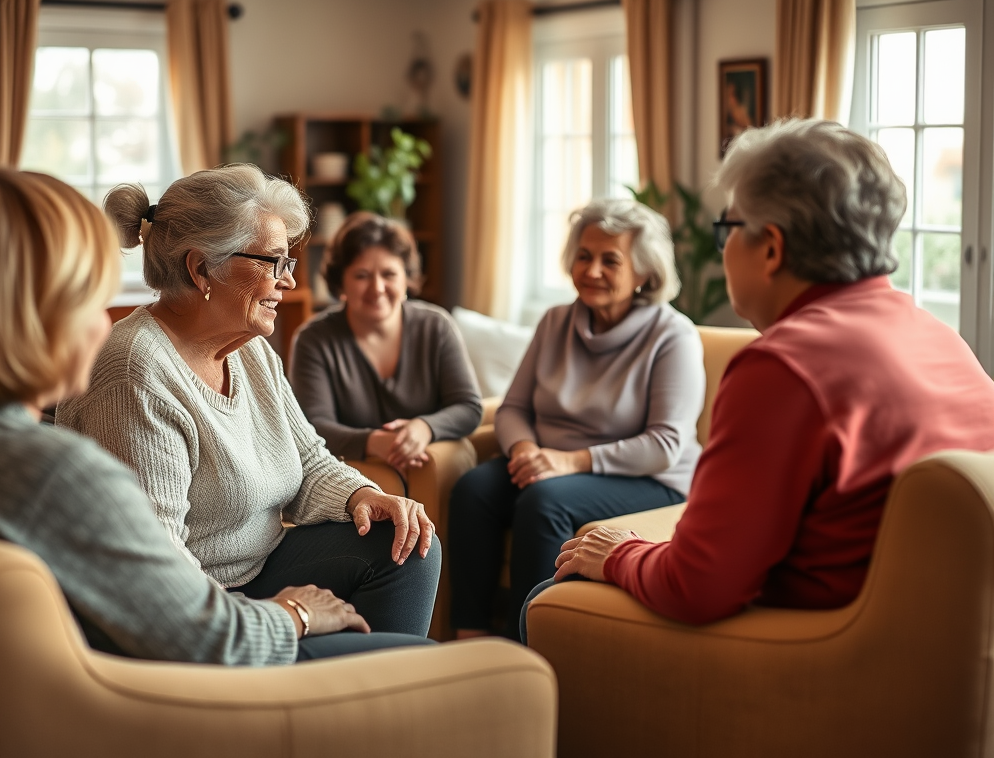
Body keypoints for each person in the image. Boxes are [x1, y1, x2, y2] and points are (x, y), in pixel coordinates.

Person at [540, 119, 994, 636]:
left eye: (727, 230)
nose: (723, 249)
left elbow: (697, 587)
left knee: (551, 597)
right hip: (928, 641)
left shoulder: (782, 366)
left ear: (771, 249)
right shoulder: (938, 335)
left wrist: (621, 554)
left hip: (815, 650)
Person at [0, 165, 435, 663]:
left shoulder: (249, 348)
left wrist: (364, 493)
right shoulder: (131, 376)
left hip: (247, 579)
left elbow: (308, 457)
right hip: (208, 622)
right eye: (273, 262)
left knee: (404, 546)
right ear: (200, 270)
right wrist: (295, 614)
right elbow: (179, 613)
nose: (288, 279)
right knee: (423, 665)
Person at [448, 198, 706, 642]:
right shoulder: (556, 322)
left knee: (545, 501)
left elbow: (665, 444)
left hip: (647, 475)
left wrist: (569, 462)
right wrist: (526, 450)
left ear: (644, 272)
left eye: (611, 260)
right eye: (584, 256)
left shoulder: (672, 334)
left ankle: (530, 647)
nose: (592, 271)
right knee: (474, 488)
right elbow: (513, 409)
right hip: (548, 463)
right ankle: (469, 638)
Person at [289, 211, 482, 475]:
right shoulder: (313, 339)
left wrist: (424, 427)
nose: (377, 287)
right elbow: (312, 425)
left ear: (406, 279)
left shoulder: (436, 326)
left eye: (389, 274)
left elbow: (469, 406)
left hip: (428, 468)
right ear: (340, 282)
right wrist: (374, 443)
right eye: (362, 275)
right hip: (351, 474)